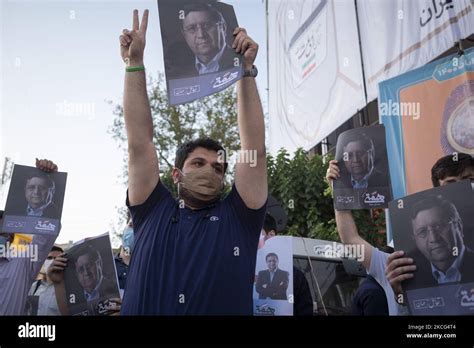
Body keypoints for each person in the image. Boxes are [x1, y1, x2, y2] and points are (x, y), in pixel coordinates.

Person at [119, 9, 267, 315]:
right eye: (198, 163)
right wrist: (134, 64)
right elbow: (139, 143)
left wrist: (246, 71)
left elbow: (254, 148)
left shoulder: (239, 218)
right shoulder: (151, 209)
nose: (210, 171)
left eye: (218, 167)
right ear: (176, 173)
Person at [327, 152, 474, 314]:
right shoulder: (401, 260)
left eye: (470, 180)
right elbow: (351, 240)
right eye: (450, 183)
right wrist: (339, 189)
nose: (433, 238)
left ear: (458, 226)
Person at [386, 153, 474, 299]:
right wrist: (400, 295)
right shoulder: (404, 252)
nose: (462, 189)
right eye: (450, 184)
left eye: (470, 180)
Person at [0, 159, 60, 315]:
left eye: (3, 231)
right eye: (32, 187)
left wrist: (46, 173)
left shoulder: (22, 259)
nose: (36, 192)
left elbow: (44, 235)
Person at [260, 213, 313, 315]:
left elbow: (305, 310)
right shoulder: (237, 270)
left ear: (271, 235)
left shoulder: (294, 276)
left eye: (256, 233)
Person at [167, 3, 237, 79]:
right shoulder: (179, 73)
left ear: (223, 28)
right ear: (184, 35)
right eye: (192, 28)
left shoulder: (240, 61)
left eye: (207, 25)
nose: (201, 35)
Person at [26, 245, 64, 315]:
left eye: (57, 258)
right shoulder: (34, 286)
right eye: (49, 258)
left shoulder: (66, 289)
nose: (53, 261)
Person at [114, 216, 134, 293]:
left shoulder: (147, 271)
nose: (132, 232)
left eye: (138, 228)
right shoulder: (109, 266)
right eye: (131, 225)